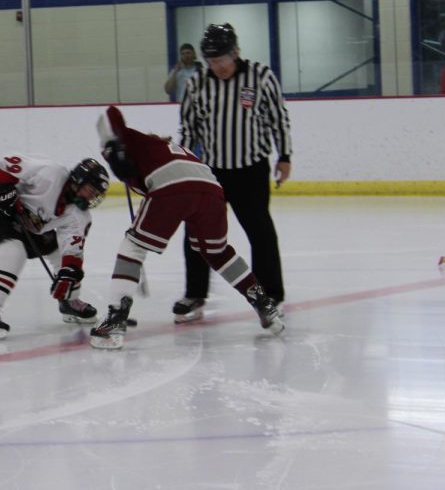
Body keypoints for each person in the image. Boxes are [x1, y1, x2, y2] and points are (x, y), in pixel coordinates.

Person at [89, 105, 283, 349]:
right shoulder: (169, 150)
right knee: (217, 252)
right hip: (212, 188)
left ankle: (115, 320)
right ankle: (262, 301)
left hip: (172, 184)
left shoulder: (132, 140)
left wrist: (112, 146)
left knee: (134, 246)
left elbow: (110, 114)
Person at [176, 23, 292, 323]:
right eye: (212, 62)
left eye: (222, 60)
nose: (218, 67)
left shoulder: (261, 76)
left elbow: (279, 118)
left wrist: (285, 156)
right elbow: (189, 129)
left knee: (260, 232)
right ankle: (195, 294)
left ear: (235, 52)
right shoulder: (196, 83)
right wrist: (183, 165)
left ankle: (271, 295)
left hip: (251, 169)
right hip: (212, 171)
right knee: (198, 233)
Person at [0, 154, 109, 339]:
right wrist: (4, 188)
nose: (92, 197)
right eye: (91, 190)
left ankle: (69, 301)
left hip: (33, 225)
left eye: (96, 194)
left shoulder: (79, 216)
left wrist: (68, 274)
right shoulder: (52, 173)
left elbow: (72, 249)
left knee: (60, 255)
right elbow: (10, 163)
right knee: (14, 251)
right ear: (78, 181)